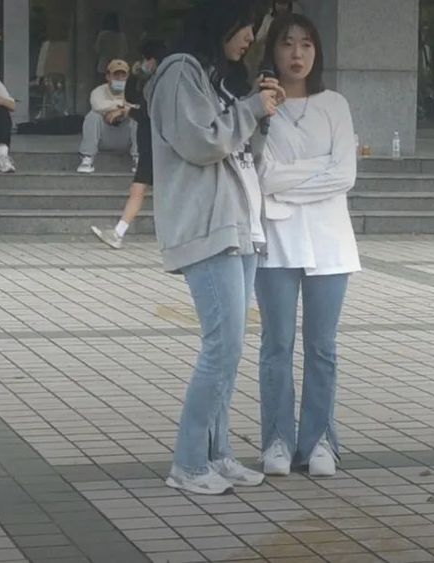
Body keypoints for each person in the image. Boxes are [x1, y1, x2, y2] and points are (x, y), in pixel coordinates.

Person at [146, 0, 282, 496]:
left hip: (238, 224)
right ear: (223, 21)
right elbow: (202, 143)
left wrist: (258, 115)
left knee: (230, 348)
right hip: (207, 226)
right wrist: (251, 108)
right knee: (222, 346)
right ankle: (187, 462)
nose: (250, 38)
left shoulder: (213, 77)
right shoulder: (179, 72)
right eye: (246, 26)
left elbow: (243, 150)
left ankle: (217, 453)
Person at [253, 13, 360, 479]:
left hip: (330, 242)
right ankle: (277, 439)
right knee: (276, 345)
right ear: (272, 51)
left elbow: (345, 174)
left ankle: (319, 440)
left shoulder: (334, 104)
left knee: (322, 347)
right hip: (276, 239)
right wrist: (316, 170)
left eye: (306, 44)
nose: (297, 54)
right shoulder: (259, 107)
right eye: (287, 43)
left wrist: (286, 182)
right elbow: (261, 175)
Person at [91, 40, 166, 249]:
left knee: (141, 189)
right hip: (149, 146)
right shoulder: (151, 81)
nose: (143, 63)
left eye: (145, 59)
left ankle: (119, 232)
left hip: (157, 145)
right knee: (139, 189)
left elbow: (149, 113)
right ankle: (118, 232)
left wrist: (128, 111)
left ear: (153, 60)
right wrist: (134, 75)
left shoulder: (162, 84)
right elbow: (132, 97)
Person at [77, 59, 138, 174]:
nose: (119, 79)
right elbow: (97, 105)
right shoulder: (98, 91)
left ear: (127, 76)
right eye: (116, 75)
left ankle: (138, 159)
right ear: (108, 76)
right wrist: (122, 108)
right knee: (92, 116)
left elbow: (139, 107)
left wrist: (122, 112)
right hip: (103, 139)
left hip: (127, 140)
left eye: (123, 75)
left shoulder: (132, 91)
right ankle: (87, 158)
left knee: (138, 117)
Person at [94, 13, 127, 83]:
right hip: (118, 67)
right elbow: (125, 51)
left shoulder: (102, 35)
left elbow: (97, 50)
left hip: (104, 66)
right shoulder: (122, 36)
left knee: (103, 87)